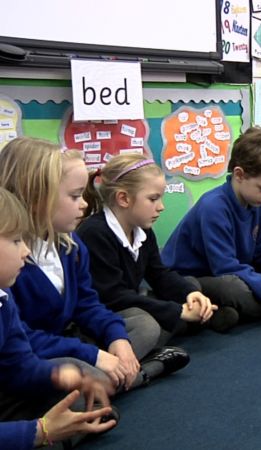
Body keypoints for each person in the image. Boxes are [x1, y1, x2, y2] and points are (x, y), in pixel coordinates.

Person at [0, 137, 187, 393]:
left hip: (70, 338)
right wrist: (94, 355)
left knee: (143, 325)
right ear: (37, 198)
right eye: (75, 195)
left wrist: (116, 338)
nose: (85, 203)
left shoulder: (70, 245)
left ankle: (109, 380)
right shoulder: (10, 262)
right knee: (73, 374)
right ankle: (139, 374)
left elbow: (88, 303)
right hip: (39, 353)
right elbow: (22, 339)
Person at [0, 187, 117, 450]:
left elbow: (19, 365)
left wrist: (59, 374)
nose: (25, 251)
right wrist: (39, 431)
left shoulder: (3, 297)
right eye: (17, 240)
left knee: (85, 407)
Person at [162, 127, 261, 328]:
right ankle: (217, 310)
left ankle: (219, 312)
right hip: (194, 277)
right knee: (233, 288)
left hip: (234, 267)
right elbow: (226, 268)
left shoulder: (257, 203)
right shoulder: (213, 207)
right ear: (239, 174)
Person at [77, 153, 236, 342]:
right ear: (123, 199)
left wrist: (189, 294)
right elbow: (113, 296)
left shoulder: (142, 230)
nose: (161, 207)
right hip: (104, 311)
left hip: (128, 300)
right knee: (148, 325)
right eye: (153, 199)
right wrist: (177, 311)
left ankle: (195, 316)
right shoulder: (95, 233)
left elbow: (159, 274)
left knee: (190, 286)